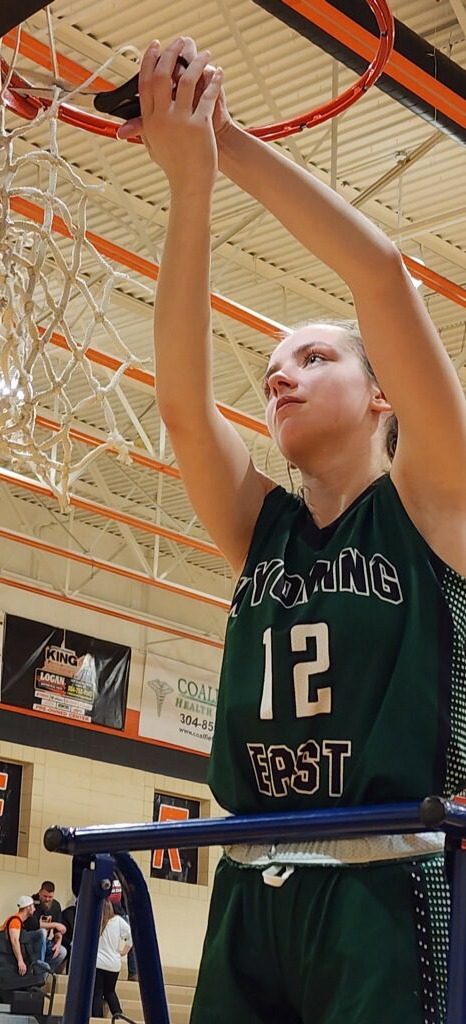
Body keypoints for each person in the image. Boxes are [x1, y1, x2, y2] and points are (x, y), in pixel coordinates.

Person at [117, 36, 466, 1024]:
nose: (280, 375)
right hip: (249, 881)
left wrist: (223, 141)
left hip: (386, 880)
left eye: (314, 358)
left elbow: (381, 274)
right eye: (273, 368)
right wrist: (186, 187)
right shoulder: (260, 528)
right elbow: (184, 408)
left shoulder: (433, 500)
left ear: (381, 395)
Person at [91, 900, 132, 1019]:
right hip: (113, 964)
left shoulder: (95, 921)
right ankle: (119, 1017)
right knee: (110, 992)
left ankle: (97, 1019)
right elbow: (131, 936)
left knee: (97, 993)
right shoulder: (118, 921)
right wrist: (124, 951)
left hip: (98, 962)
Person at [24, 881, 67, 972]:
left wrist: (58, 943)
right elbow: (34, 924)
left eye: (50, 897)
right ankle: (39, 967)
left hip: (44, 941)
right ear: (39, 892)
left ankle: (43, 974)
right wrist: (55, 924)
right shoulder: (32, 902)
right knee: (42, 932)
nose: (47, 899)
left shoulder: (56, 905)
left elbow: (58, 931)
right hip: (29, 938)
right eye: (45, 896)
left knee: (62, 952)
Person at [0, 896, 36, 977]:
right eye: (33, 906)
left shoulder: (13, 919)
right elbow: (14, 940)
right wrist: (20, 961)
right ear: (28, 907)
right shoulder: (15, 921)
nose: (34, 909)